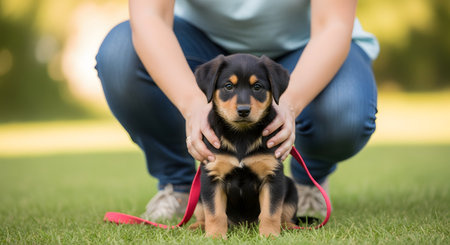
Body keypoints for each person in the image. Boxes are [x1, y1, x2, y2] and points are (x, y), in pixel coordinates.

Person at [95, 0, 378, 221]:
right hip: (199, 42)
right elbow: (149, 17)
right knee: (120, 54)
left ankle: (307, 182)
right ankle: (179, 185)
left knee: (347, 108)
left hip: (307, 45)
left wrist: (290, 103)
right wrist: (191, 102)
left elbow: (334, 26)